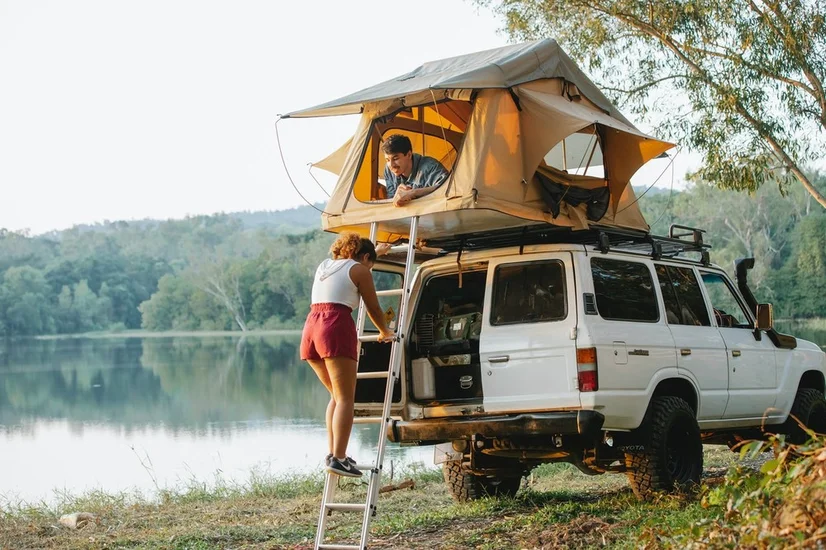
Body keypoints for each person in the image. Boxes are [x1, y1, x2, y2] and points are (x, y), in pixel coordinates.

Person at [300, 232, 394, 477]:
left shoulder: (325, 265)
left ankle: (334, 454)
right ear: (364, 258)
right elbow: (373, 306)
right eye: (371, 263)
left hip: (311, 327)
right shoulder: (360, 270)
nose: (369, 269)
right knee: (346, 399)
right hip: (334, 326)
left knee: (336, 395)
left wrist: (378, 253)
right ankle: (340, 458)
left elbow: (348, 269)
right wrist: (385, 330)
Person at [382, 134, 449, 207]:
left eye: (395, 159)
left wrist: (414, 192)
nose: (391, 165)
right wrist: (396, 197)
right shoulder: (388, 170)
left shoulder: (431, 167)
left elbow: (449, 188)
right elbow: (391, 201)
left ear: (409, 155)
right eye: (387, 160)